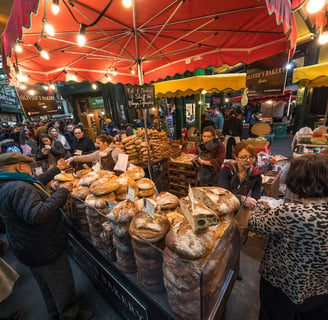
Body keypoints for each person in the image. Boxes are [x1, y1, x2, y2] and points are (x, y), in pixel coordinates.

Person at [0, 153, 93, 320]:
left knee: (46, 285)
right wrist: (63, 191)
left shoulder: (7, 182)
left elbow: (37, 182)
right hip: (43, 246)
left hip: (26, 246)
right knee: (61, 284)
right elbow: (38, 214)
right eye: (28, 167)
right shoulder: (17, 187)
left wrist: (57, 169)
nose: (30, 171)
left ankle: (56, 313)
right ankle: (70, 315)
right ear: (20, 167)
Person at [248, 153, 328, 320]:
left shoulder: (291, 212)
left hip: (282, 285)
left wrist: (261, 205)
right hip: (321, 290)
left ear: (297, 180)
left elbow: (256, 224)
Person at [218, 141, 261, 209]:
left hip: (244, 209)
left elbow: (256, 196)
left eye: (251, 157)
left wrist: (258, 202)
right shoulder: (227, 170)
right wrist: (241, 199)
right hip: (227, 206)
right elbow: (223, 193)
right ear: (236, 157)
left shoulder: (256, 175)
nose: (248, 160)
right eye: (243, 157)